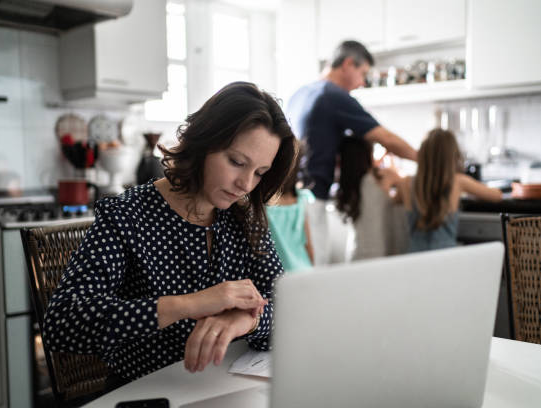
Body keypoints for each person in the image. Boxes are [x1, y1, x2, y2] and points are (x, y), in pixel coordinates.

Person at [42, 82, 298, 385]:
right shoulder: (126, 215)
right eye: (237, 162)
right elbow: (62, 323)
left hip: (225, 389)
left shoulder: (245, 218)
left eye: (259, 173)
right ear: (203, 143)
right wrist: (190, 303)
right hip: (148, 392)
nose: (246, 184)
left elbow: (289, 311)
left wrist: (248, 319)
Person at [286, 40, 417, 265]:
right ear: (348, 64)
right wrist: (427, 159)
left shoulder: (299, 93)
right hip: (312, 198)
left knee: (295, 270)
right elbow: (385, 138)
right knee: (315, 271)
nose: (362, 82)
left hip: (288, 199)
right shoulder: (333, 95)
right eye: (362, 73)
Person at [384, 128, 503, 252]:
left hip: (415, 258)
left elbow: (392, 201)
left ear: (422, 154)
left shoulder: (406, 183)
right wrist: (471, 193)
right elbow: (497, 195)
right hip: (446, 259)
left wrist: (388, 182)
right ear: (453, 156)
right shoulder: (458, 182)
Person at [335, 137, 410, 261]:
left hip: (356, 255)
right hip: (380, 256)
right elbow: (408, 187)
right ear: (368, 155)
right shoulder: (380, 178)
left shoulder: (348, 186)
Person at [266, 145, 315, 272]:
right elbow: (308, 245)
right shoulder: (301, 199)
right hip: (304, 270)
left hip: (278, 275)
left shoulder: (262, 203)